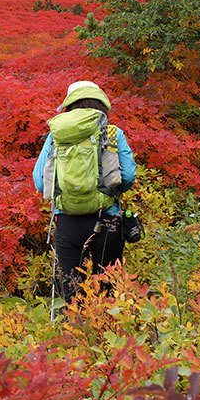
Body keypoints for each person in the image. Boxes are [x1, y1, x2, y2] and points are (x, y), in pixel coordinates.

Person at [33, 81, 136, 304]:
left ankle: (74, 335)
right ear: (101, 105)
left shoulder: (56, 135)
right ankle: (109, 335)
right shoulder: (112, 133)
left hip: (67, 221)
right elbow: (127, 176)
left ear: (69, 106)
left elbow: (40, 183)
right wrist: (115, 189)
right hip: (107, 218)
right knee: (109, 289)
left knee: (72, 292)